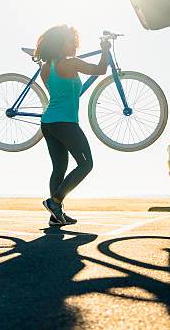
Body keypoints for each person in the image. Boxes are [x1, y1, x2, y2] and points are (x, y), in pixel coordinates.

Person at [36, 25, 111, 226]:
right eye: (71, 42)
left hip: (48, 123)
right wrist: (105, 51)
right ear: (61, 43)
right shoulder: (70, 63)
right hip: (65, 123)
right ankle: (55, 201)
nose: (75, 46)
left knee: (59, 168)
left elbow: (60, 92)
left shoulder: (46, 67)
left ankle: (56, 215)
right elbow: (101, 70)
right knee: (86, 164)